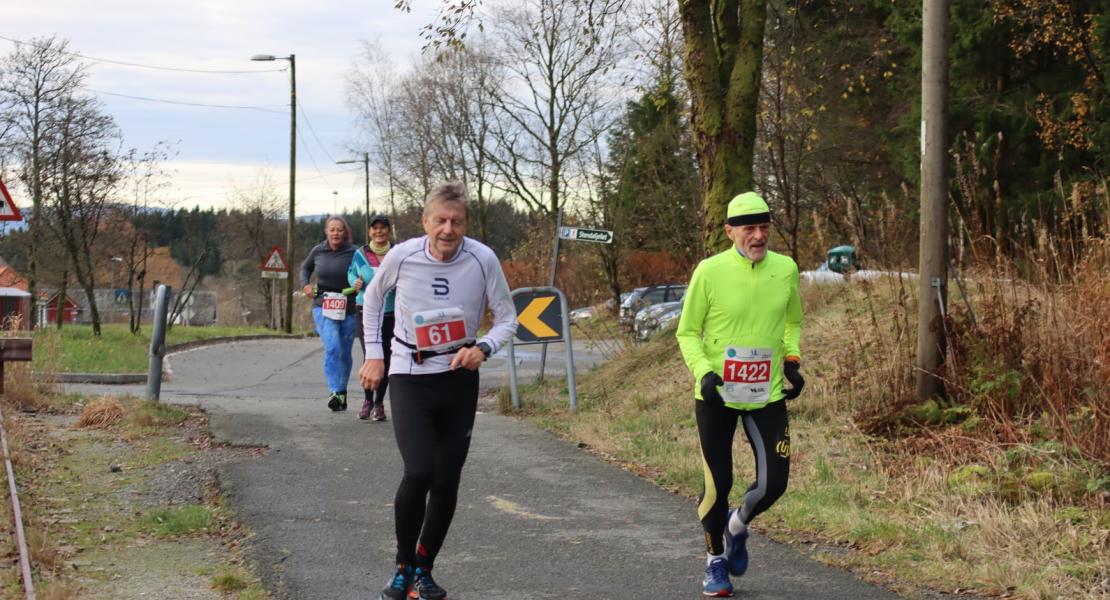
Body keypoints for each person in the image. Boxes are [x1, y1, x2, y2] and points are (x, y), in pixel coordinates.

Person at [358, 181, 517, 600]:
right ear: (425, 222)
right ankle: (401, 566)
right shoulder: (403, 255)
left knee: (447, 481)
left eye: (457, 222)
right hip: (409, 373)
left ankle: (423, 571)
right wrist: (375, 355)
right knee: (420, 471)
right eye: (440, 221)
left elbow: (507, 318)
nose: (448, 230)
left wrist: (483, 348)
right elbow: (373, 302)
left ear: (466, 224)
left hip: (458, 378)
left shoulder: (482, 259)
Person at [675, 191, 805, 597]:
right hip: (717, 396)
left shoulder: (785, 269)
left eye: (764, 227)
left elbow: (792, 321)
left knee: (775, 484)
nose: (758, 236)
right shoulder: (709, 272)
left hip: (765, 394)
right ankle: (715, 561)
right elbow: (686, 332)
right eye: (749, 228)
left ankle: (737, 526)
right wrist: (705, 373)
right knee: (718, 481)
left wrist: (792, 360)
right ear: (730, 231)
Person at [300, 215, 359, 412]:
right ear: (326, 231)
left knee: (344, 351)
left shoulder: (354, 252)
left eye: (339, 230)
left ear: (345, 232)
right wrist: (306, 285)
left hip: (349, 306)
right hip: (323, 305)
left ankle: (341, 392)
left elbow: (365, 272)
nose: (336, 233)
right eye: (332, 229)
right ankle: (334, 391)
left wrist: (360, 283)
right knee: (332, 347)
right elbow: (305, 268)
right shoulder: (318, 250)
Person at [349, 214, 396, 421]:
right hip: (365, 311)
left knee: (385, 358)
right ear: (370, 232)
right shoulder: (360, 254)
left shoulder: (396, 253)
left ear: (388, 231)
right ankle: (367, 400)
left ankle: (379, 403)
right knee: (371, 355)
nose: (379, 232)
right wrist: (355, 283)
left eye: (383, 228)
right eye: (375, 228)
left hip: (391, 312)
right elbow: (351, 274)